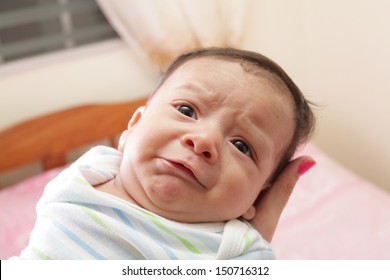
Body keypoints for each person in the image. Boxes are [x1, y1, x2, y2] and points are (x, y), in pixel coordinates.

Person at [17, 47, 316, 260]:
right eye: (187, 110)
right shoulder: (94, 170)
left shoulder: (237, 250)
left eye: (242, 146)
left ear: (257, 198)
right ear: (133, 126)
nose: (203, 141)